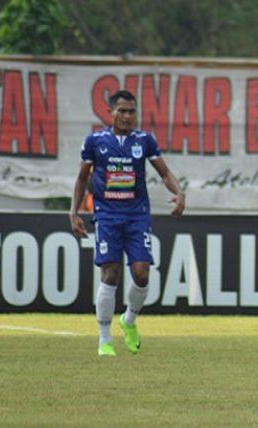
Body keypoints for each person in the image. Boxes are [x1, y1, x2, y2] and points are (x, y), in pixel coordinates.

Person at [69, 89, 185, 357]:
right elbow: (82, 179)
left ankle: (129, 320)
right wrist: (74, 212)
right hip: (107, 215)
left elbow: (164, 172)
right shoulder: (95, 141)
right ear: (110, 112)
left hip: (137, 215)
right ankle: (104, 339)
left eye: (132, 111)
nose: (127, 116)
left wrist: (178, 192)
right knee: (110, 273)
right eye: (121, 110)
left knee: (142, 274)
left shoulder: (144, 140)